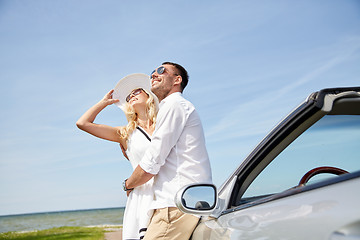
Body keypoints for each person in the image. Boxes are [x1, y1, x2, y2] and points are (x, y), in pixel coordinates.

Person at [124, 62, 213, 240]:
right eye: (152, 72)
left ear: (177, 80)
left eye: (161, 71)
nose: (154, 75)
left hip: (175, 204)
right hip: (181, 202)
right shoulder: (172, 107)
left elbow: (152, 161)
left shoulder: (174, 105)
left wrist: (127, 184)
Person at [76, 73, 159, 240]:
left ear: (149, 95)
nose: (132, 96)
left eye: (137, 91)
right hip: (142, 195)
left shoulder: (165, 124)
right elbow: (83, 123)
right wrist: (104, 103)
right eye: (128, 97)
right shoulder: (124, 133)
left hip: (168, 192)